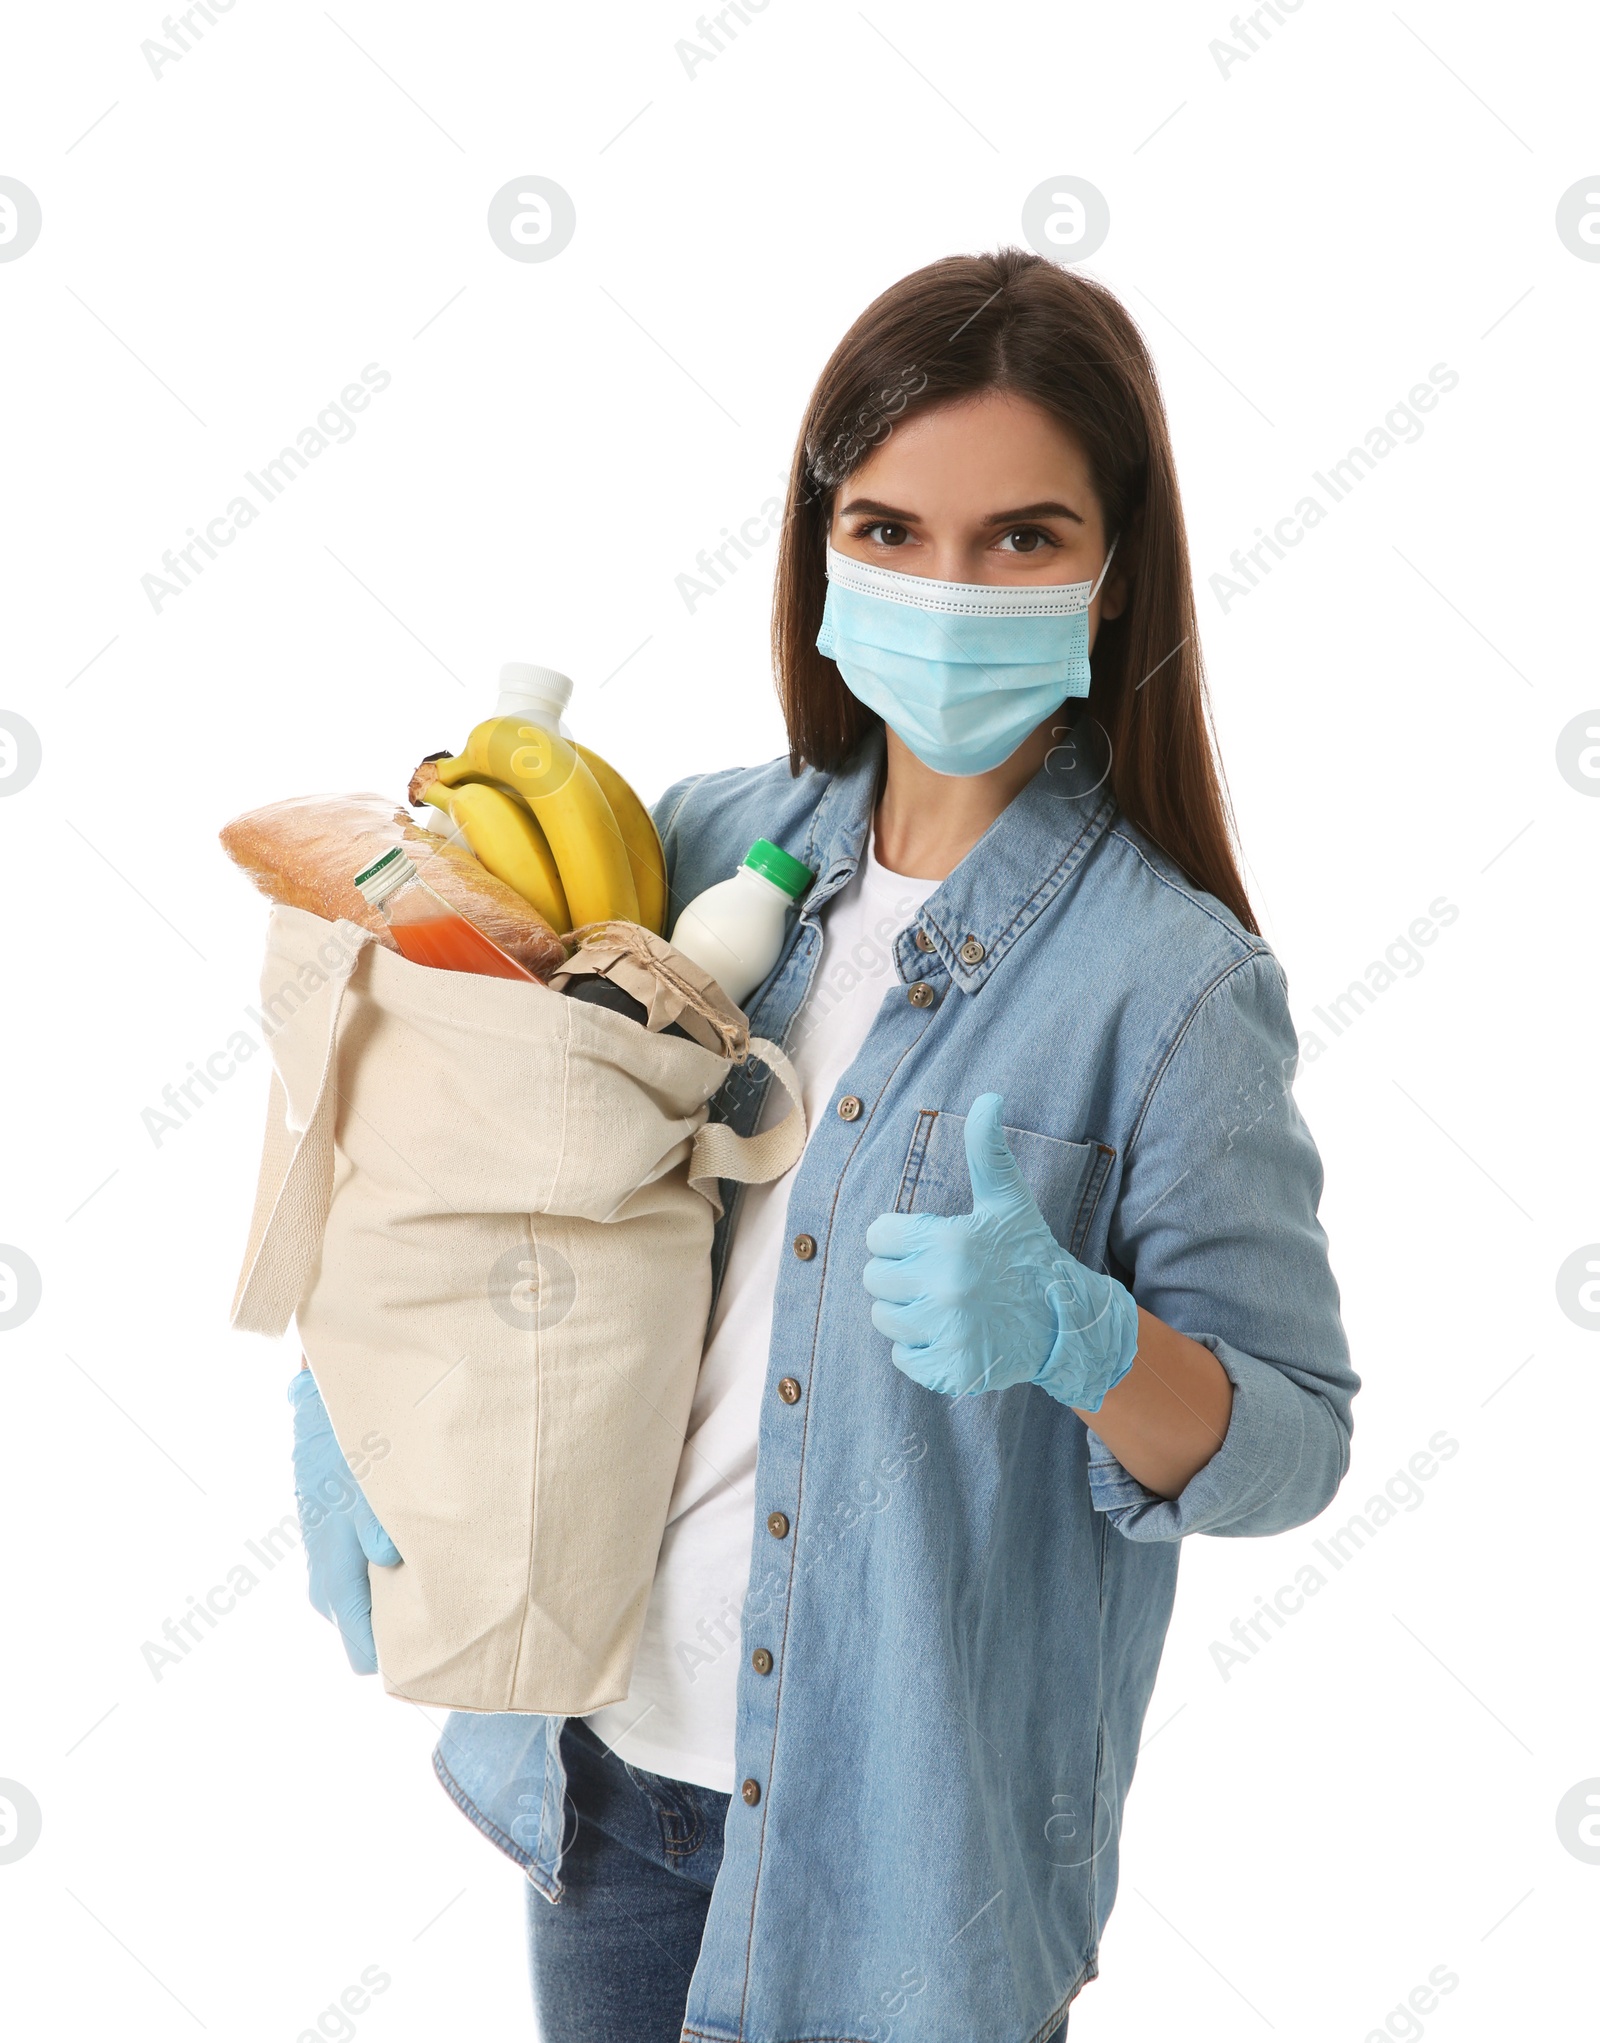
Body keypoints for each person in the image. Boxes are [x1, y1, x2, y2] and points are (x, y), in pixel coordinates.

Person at [293, 248, 1359, 2043]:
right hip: (609, 1794)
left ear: (1112, 578)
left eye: (1022, 537)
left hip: (902, 1872)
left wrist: (1088, 1345)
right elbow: (468, 1165)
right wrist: (357, 1404)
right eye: (889, 529)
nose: (948, 584)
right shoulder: (693, 848)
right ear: (819, 554)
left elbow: (1294, 1446)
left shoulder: (1172, 987)